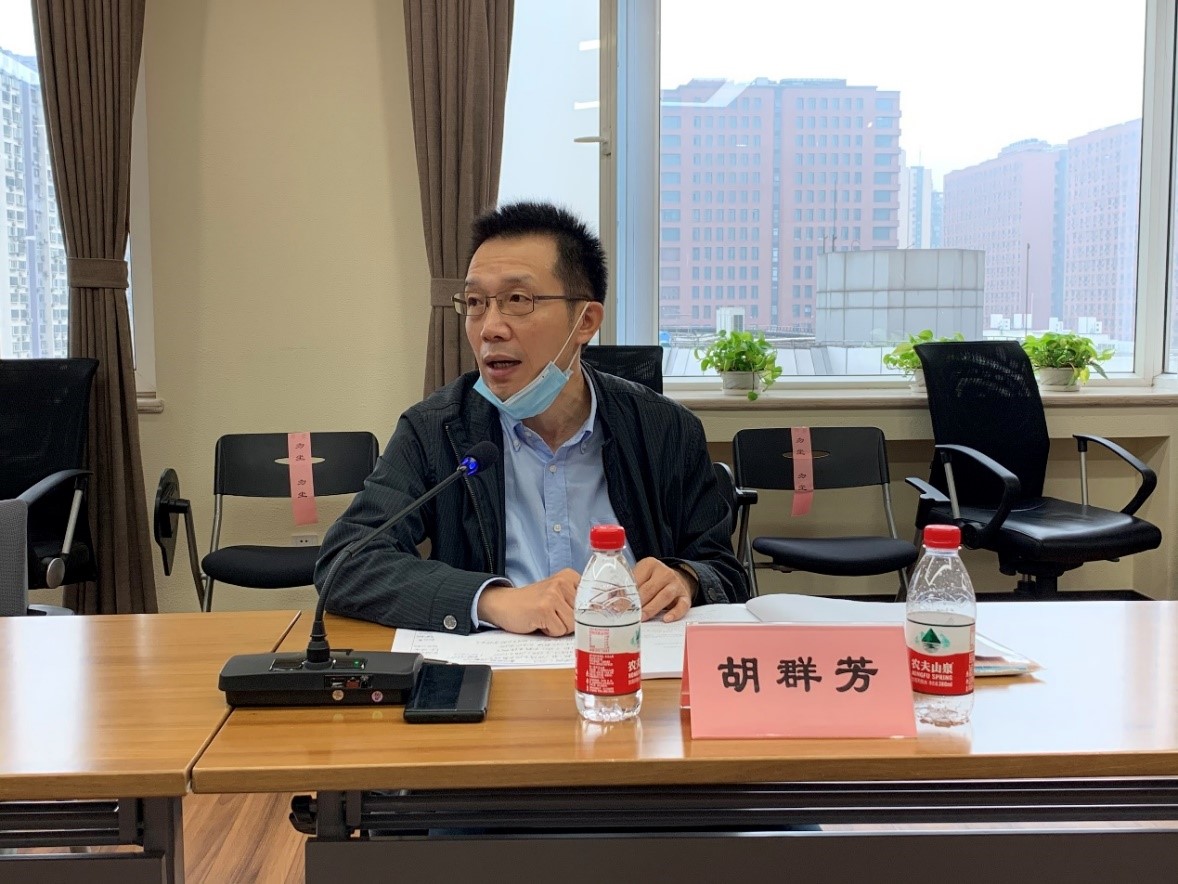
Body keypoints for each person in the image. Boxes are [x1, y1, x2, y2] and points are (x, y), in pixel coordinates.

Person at [315, 201, 749, 635]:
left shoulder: (666, 429)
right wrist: (493, 600)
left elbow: (723, 571)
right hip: (496, 665)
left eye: (518, 300)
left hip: (632, 658)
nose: (489, 327)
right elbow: (346, 562)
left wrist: (685, 579)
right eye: (476, 302)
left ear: (585, 321)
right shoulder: (436, 429)